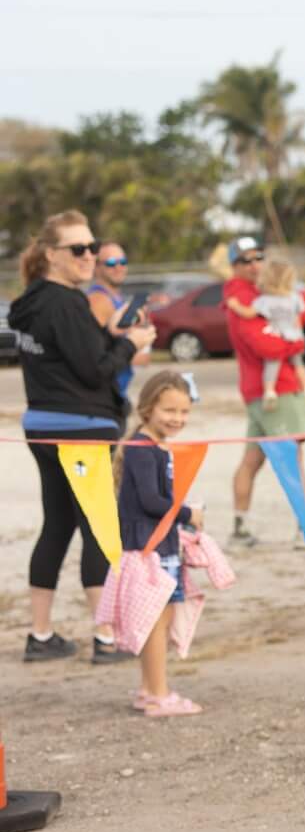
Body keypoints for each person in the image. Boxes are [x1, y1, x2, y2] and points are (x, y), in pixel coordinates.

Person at [14, 211, 155, 663]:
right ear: (50, 254)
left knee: (57, 524)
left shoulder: (32, 301)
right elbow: (94, 371)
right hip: (80, 429)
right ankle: (107, 638)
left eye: (92, 247)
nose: (89, 256)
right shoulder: (65, 302)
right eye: (78, 249)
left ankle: (40, 635)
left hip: (43, 425)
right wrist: (131, 344)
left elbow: (74, 355)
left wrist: (111, 334)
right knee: (99, 527)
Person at [113, 372, 204, 716]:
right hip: (149, 548)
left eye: (184, 412)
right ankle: (158, 695)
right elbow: (152, 502)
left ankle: (150, 689)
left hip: (160, 543)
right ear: (148, 408)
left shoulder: (155, 447)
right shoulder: (142, 448)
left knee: (160, 620)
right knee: (155, 621)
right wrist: (188, 512)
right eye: (169, 410)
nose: (177, 419)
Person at [220, 237, 305, 547]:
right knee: (292, 459)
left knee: (252, 459)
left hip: (263, 389)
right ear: (233, 265)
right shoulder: (243, 298)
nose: (254, 265)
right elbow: (265, 345)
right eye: (245, 260)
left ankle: (240, 527)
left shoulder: (257, 294)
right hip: (276, 390)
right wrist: (296, 344)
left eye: (258, 257)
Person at [83, 240, 148, 397]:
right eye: (111, 263)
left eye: (123, 262)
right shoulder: (98, 300)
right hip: (103, 394)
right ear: (96, 267)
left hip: (116, 391)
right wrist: (137, 344)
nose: (119, 267)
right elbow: (94, 357)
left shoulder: (116, 298)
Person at [248, 258, 305, 409]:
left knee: (272, 364)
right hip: (294, 336)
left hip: (276, 337)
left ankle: (269, 391)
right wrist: (299, 335)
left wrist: (234, 305)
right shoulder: (295, 297)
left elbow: (250, 313)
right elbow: (298, 320)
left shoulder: (264, 300)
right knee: (299, 365)